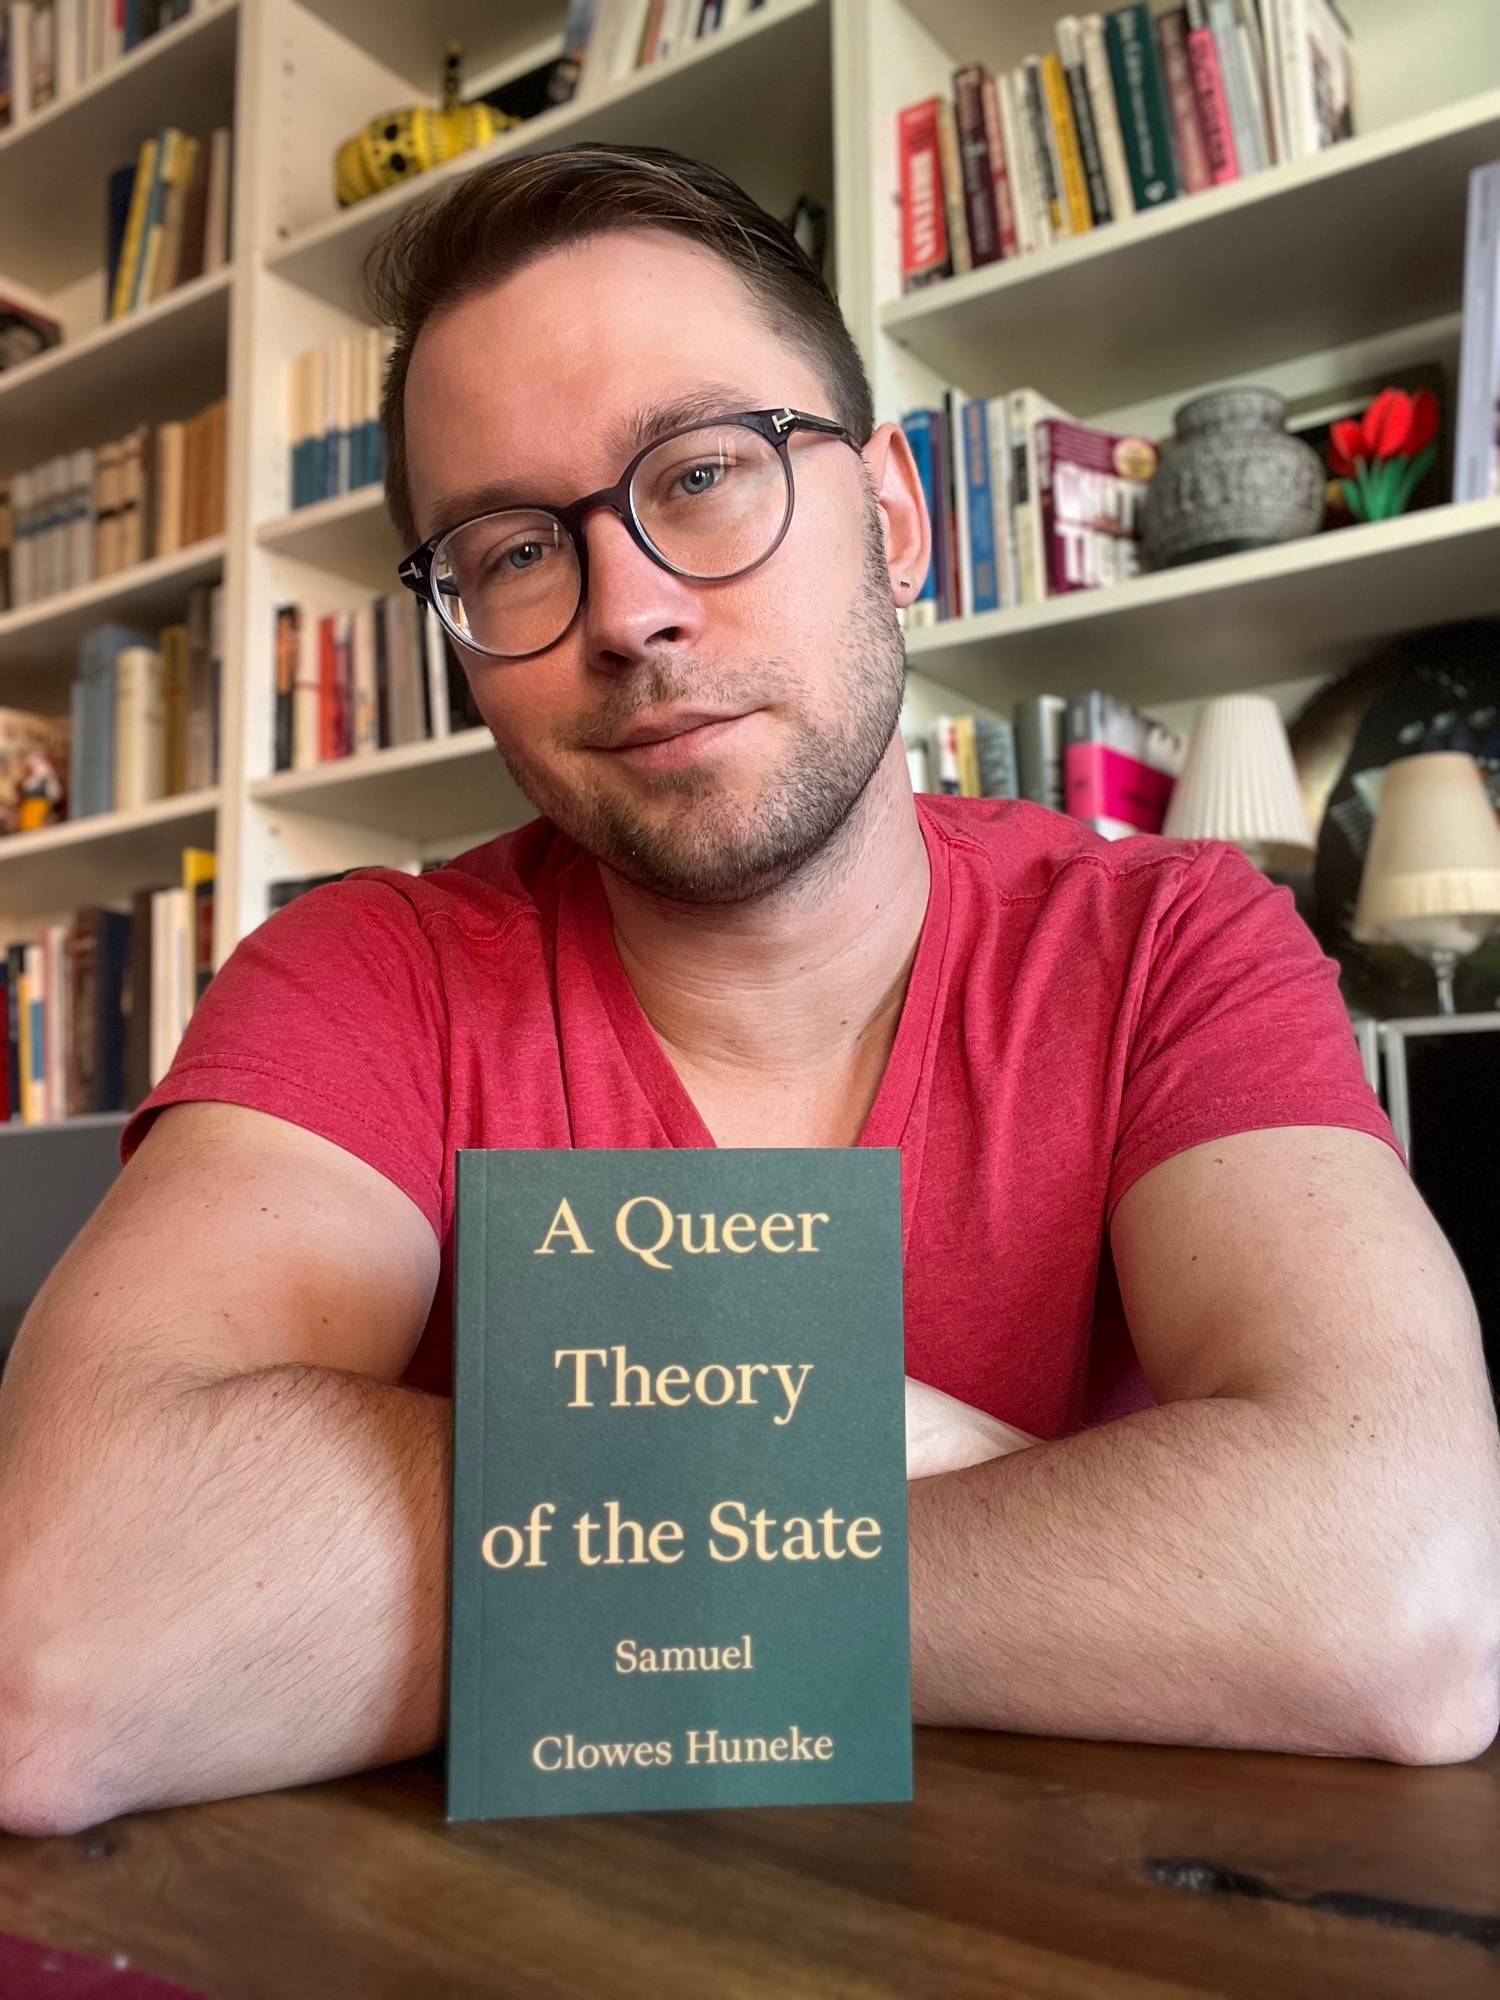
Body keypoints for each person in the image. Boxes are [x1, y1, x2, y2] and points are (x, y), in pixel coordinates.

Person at [1, 146, 1496, 1838]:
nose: (630, 612)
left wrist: (564, 1535)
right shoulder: (365, 975)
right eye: (513, 551)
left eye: (704, 472)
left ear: (897, 516)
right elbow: (70, 1643)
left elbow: (1400, 1599)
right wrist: (945, 1475)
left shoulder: (1171, 942)